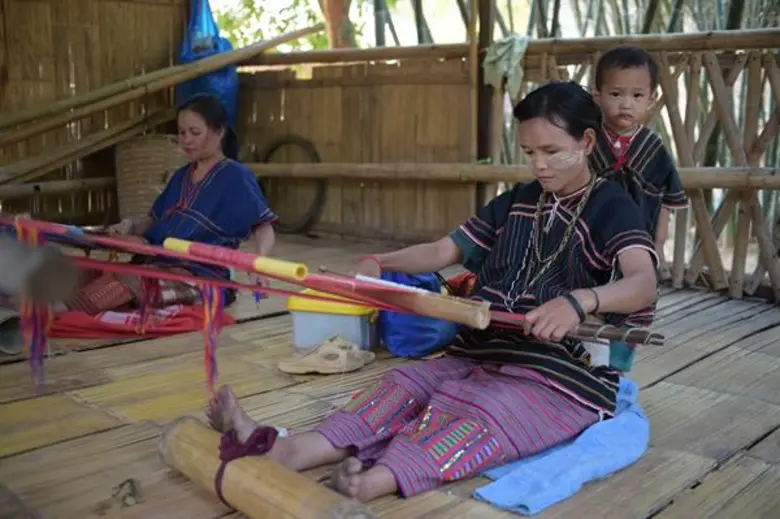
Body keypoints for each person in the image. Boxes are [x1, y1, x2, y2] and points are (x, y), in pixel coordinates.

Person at [207, 81, 659, 503]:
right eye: (528, 151)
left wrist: (580, 302)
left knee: (483, 408)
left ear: (586, 143)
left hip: (560, 372)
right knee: (403, 385)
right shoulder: (520, 200)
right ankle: (292, 451)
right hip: (483, 348)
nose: (539, 164)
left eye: (551, 151)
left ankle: (369, 481)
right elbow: (445, 250)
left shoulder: (612, 206)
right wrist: (382, 265)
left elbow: (643, 283)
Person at [65, 93, 278, 315]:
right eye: (182, 132)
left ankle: (61, 313)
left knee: (126, 282)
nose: (186, 139)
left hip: (201, 278)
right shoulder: (181, 177)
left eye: (195, 132)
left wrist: (259, 264)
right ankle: (60, 310)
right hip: (157, 264)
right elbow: (152, 221)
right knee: (88, 272)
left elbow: (263, 225)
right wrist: (127, 226)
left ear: (219, 132)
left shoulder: (236, 176)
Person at [588, 45, 689, 266]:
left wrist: (659, 244)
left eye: (637, 95)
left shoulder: (653, 148)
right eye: (615, 94)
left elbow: (666, 201)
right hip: (590, 242)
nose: (626, 104)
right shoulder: (588, 142)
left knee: (635, 290)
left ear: (651, 100)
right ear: (597, 95)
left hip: (638, 242)